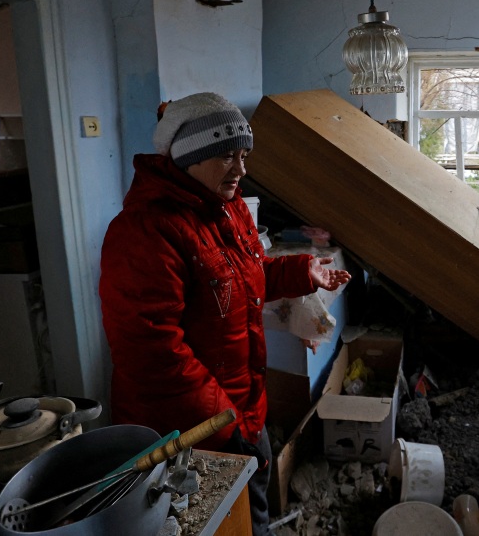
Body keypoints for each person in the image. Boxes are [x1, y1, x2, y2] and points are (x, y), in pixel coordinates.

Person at [99, 92, 350, 535]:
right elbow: (153, 351)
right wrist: (222, 421)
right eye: (226, 157)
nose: (241, 169)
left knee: (252, 507)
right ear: (188, 157)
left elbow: (244, 281)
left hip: (240, 408)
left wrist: (302, 271)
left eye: (243, 155)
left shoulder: (228, 209)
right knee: (207, 521)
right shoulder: (144, 232)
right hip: (185, 431)